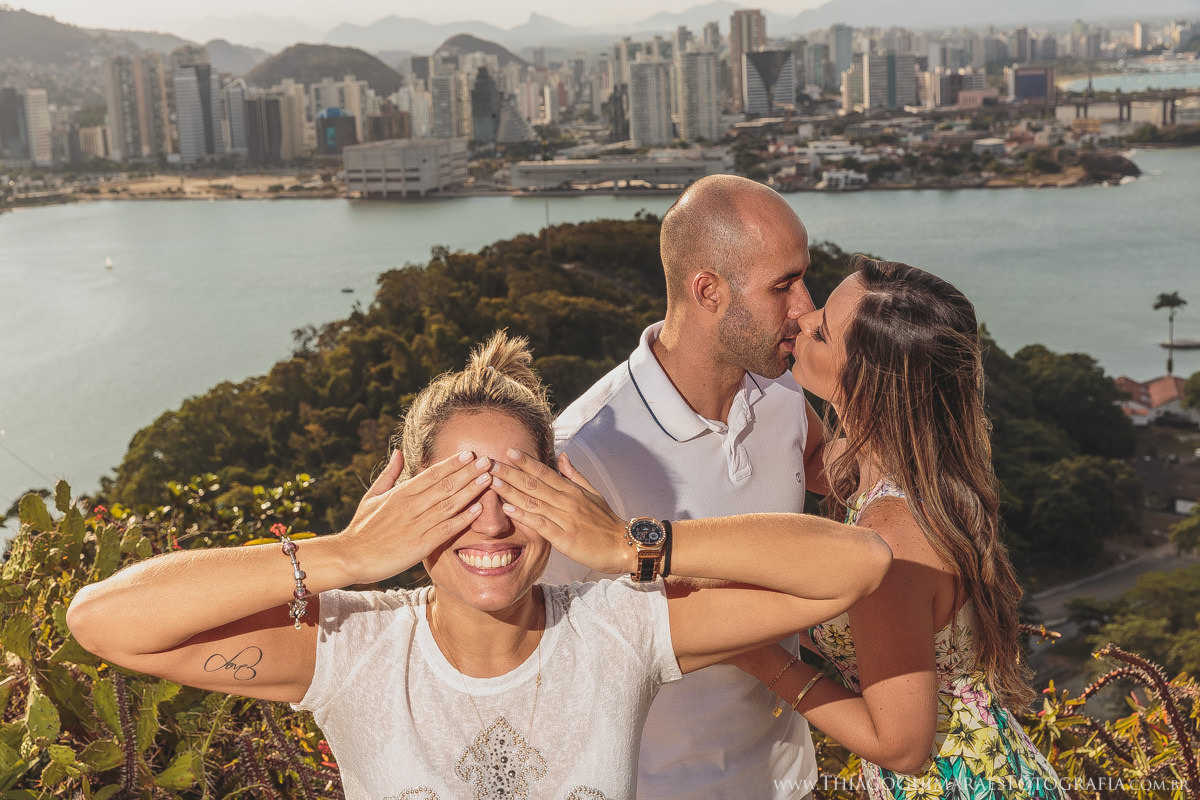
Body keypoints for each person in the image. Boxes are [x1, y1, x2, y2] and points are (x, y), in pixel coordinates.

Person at [67, 331, 891, 800]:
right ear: (406, 501)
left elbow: (856, 563)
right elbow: (101, 622)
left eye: (517, 489)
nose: (491, 521)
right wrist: (344, 555)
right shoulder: (355, 650)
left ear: (556, 491)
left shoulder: (620, 628)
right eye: (456, 495)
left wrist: (626, 545)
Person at [730, 257, 1065, 800]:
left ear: (865, 383)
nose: (803, 319)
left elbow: (902, 747)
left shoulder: (891, 539)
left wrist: (756, 655)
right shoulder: (907, 466)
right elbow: (809, 457)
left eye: (822, 331)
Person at [545, 174, 826, 799]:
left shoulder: (782, 389)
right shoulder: (585, 452)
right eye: (783, 285)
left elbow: (828, 467)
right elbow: (541, 663)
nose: (806, 307)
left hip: (789, 780)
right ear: (708, 290)